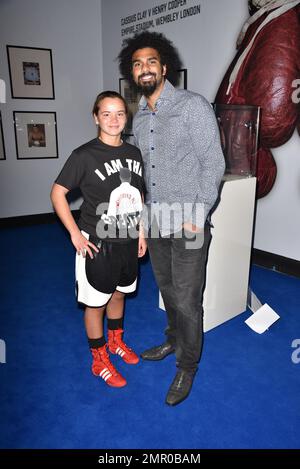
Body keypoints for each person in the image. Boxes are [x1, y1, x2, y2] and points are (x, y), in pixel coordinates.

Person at [118, 32, 225, 405]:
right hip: (158, 221)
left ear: (164, 68)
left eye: (150, 62)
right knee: (167, 290)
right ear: (132, 73)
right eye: (136, 64)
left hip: (189, 223)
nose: (144, 68)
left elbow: (214, 164)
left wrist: (196, 218)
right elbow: (147, 176)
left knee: (188, 298)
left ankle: (187, 365)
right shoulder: (141, 117)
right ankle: (173, 339)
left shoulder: (193, 106)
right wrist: (143, 222)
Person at [50, 91, 147, 388]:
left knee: (119, 294)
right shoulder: (84, 155)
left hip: (127, 240)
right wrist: (75, 233)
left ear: (126, 117)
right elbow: (58, 193)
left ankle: (116, 341)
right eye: (106, 113)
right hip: (97, 243)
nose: (114, 119)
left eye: (119, 113)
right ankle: (98, 358)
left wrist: (141, 230)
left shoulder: (134, 153)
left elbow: (137, 196)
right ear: (96, 117)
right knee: (96, 303)